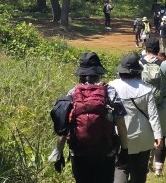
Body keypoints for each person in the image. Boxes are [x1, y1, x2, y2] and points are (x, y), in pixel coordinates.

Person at [49, 51, 128, 183]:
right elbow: (121, 124)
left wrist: (59, 151)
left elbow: (64, 127)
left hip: (79, 152)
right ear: (99, 72)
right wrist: (125, 150)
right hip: (105, 152)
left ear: (81, 74)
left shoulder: (73, 93)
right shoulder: (110, 92)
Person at [109, 52, 163, 183]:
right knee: (139, 172)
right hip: (142, 137)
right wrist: (158, 135)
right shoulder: (146, 89)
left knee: (120, 167)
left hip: (119, 135)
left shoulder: (112, 87)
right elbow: (153, 115)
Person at [141, 35, 166, 177]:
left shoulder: (139, 64)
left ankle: (145, 164)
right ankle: (158, 169)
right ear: (158, 49)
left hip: (143, 107)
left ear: (146, 49)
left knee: (145, 136)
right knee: (160, 136)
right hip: (160, 105)